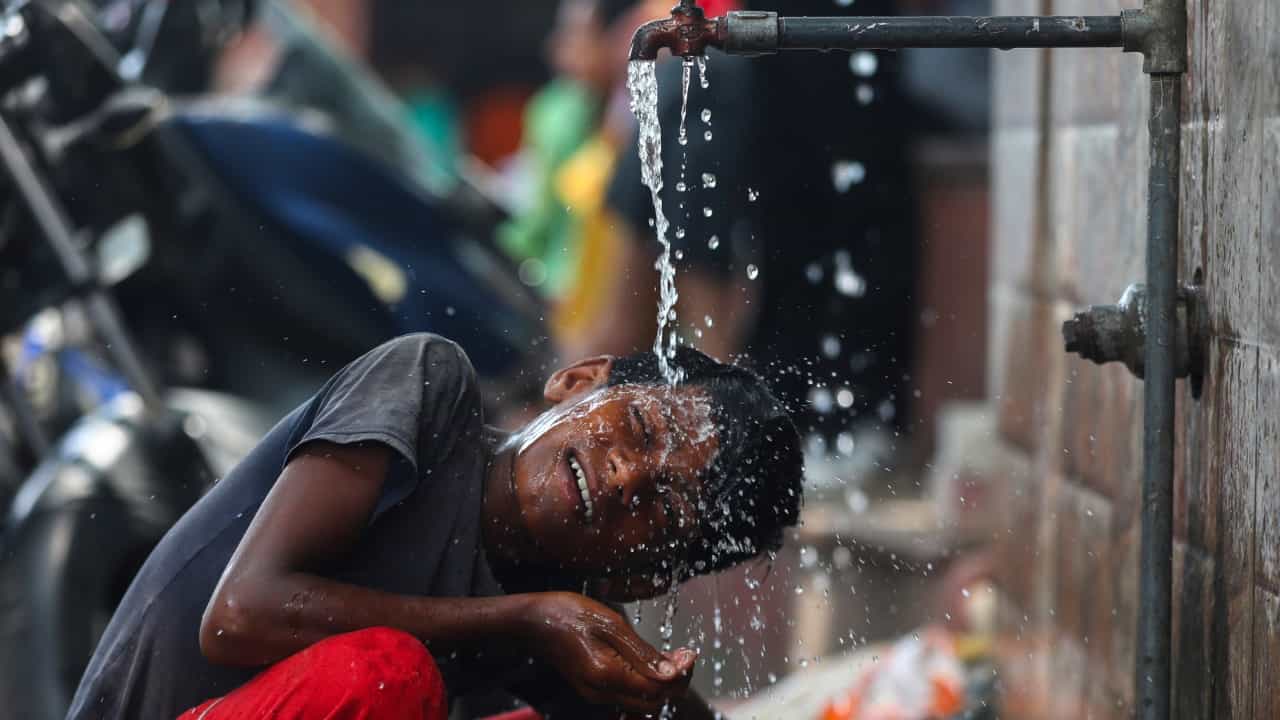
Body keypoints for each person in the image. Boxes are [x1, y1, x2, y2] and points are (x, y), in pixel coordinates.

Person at [68, 333, 803, 719]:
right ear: (578, 380)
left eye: (663, 507)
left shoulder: (564, 617)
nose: (622, 476)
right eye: (639, 427)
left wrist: (664, 690)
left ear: (642, 577)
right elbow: (238, 614)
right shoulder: (427, 385)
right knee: (387, 676)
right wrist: (525, 621)